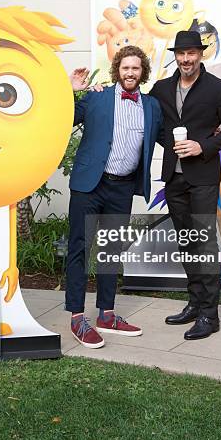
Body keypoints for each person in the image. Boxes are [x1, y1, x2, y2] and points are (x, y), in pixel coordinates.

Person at [149, 30, 221, 339]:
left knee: (204, 244)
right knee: (187, 243)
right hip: (174, 178)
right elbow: (151, 121)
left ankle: (209, 315)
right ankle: (194, 303)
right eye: (181, 53)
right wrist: (169, 143)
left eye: (191, 53)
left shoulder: (219, 88)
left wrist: (202, 146)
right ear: (175, 55)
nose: (186, 59)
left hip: (202, 177)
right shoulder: (162, 89)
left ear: (201, 54)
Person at [66, 45, 162, 348]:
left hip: (122, 188)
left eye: (135, 68)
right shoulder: (96, 97)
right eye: (125, 68)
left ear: (142, 72)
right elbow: (63, 119)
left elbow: (168, 136)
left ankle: (106, 314)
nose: (130, 73)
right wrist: (72, 92)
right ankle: (77, 317)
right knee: (80, 248)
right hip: (89, 184)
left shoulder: (152, 107)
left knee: (110, 252)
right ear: (117, 71)